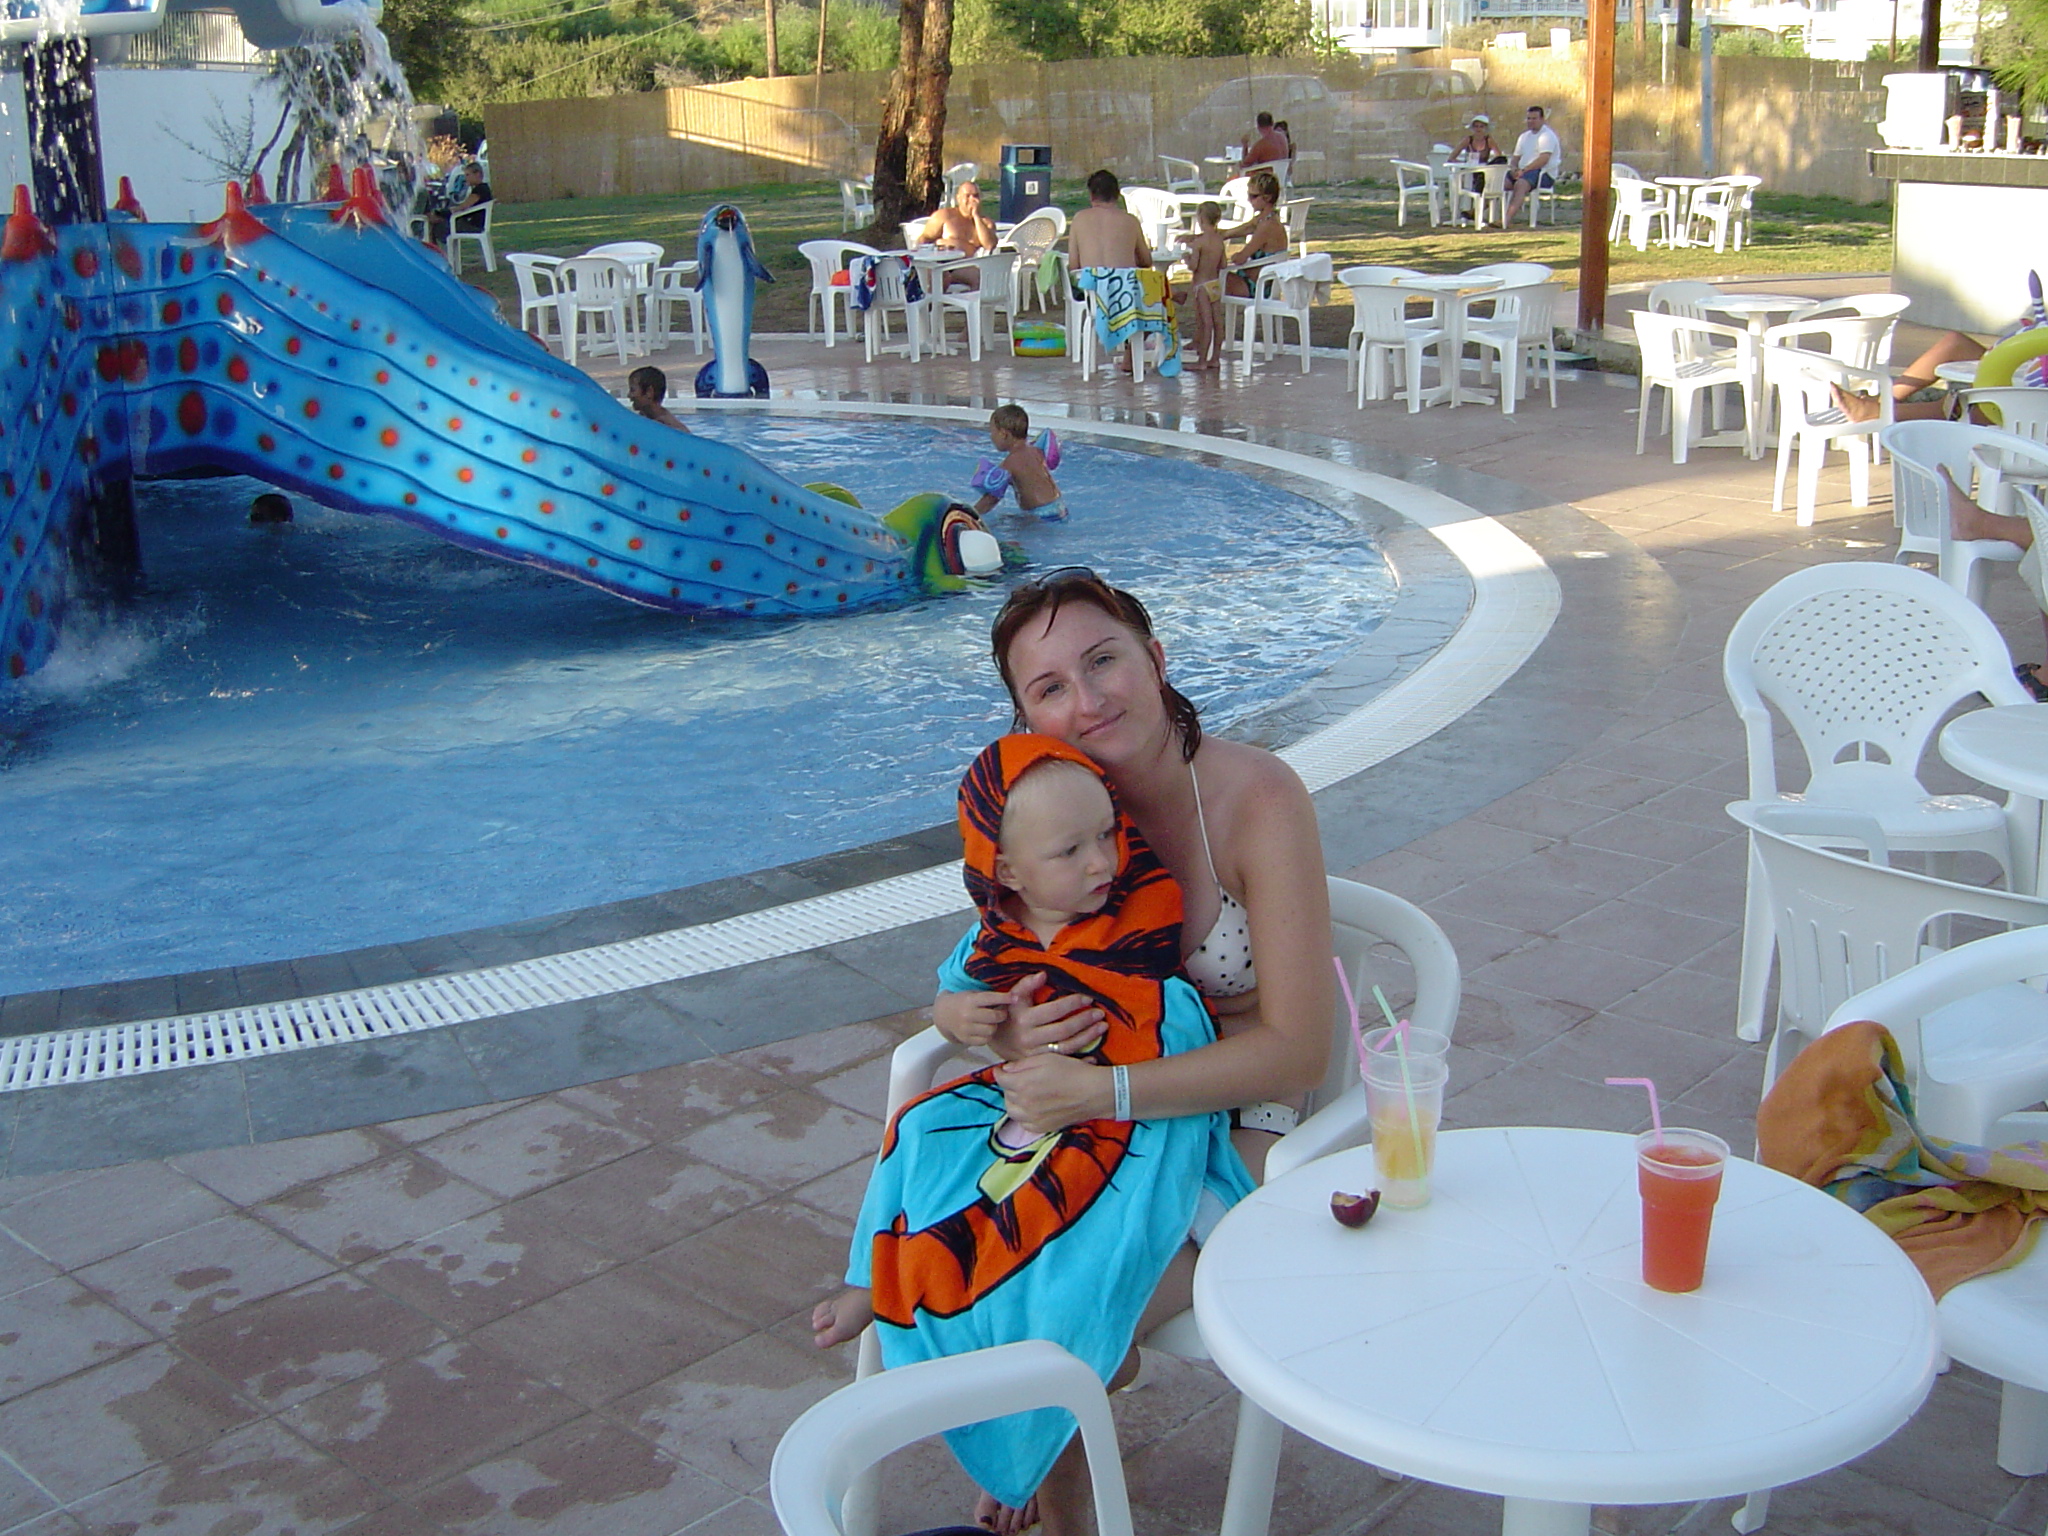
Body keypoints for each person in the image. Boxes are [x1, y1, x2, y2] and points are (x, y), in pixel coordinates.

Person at [927, 569, 1334, 1530]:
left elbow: (1298, 1049)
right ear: (1027, 718)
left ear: (1154, 660)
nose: (1088, 699)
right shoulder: (1049, 817)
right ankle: (1035, 1440)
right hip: (1091, 1103)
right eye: (1050, 687)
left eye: (1103, 660)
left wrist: (1102, 1093)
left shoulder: (1256, 799)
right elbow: (983, 970)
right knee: (964, 1255)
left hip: (1235, 1110)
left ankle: (1036, 1445)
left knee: (1058, 1318)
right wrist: (1007, 1024)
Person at [813, 733, 1255, 1536]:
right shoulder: (999, 932)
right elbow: (951, 997)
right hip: (1027, 1119)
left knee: (1053, 1286)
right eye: (1070, 850)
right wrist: (966, 1018)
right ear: (1010, 873)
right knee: (920, 1123)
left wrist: (1100, 1073)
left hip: (1126, 1132)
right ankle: (874, 1276)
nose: (1102, 863)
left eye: (1107, 834)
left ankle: (1044, 1476)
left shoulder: (1136, 929)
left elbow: (1177, 1037)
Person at [1068, 170, 1155, 375]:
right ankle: (1130, 358)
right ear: (1117, 195)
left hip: (1094, 297)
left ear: (1091, 195)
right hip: (1125, 299)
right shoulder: (1130, 221)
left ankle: (1123, 359)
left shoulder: (1079, 219)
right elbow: (1146, 261)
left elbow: (1074, 265)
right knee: (1153, 303)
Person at [972, 403, 1065, 520]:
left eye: (992, 432)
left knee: (1001, 522)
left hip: (1041, 516)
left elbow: (992, 499)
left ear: (1003, 434)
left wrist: (971, 513)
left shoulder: (1010, 463)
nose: (991, 436)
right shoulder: (1036, 451)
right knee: (1011, 518)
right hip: (1059, 507)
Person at [1177, 201, 1230, 371]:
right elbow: (1223, 264)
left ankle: (1201, 361)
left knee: (1206, 323)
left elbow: (1194, 266)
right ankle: (1215, 358)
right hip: (1214, 285)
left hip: (1201, 287)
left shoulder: (1199, 242)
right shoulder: (1219, 241)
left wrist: (1186, 258)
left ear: (1200, 219)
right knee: (1217, 322)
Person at [1223, 168, 1288, 299]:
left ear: (1267, 197)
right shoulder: (1265, 219)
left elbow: (1240, 258)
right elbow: (1231, 232)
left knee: (1208, 277)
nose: (1249, 200)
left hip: (1256, 287)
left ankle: (1205, 313)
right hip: (1256, 282)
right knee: (1207, 279)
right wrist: (1201, 237)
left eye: (1253, 196)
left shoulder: (1267, 226)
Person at [1503, 104, 1562, 225]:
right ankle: (1478, 213)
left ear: (1542, 119)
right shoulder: (1524, 137)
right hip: (1522, 171)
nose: (1530, 121)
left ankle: (1506, 219)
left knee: (1521, 184)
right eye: (1529, 118)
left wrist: (1524, 170)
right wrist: (1514, 169)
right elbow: (1515, 158)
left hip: (1543, 173)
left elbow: (1543, 159)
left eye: (1534, 118)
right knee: (1498, 182)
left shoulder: (1547, 136)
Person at [918, 179, 996, 257]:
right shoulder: (944, 216)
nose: (972, 199)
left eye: (976, 196)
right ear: (958, 199)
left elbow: (989, 245)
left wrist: (976, 216)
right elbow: (925, 239)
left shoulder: (986, 223)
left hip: (974, 263)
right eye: (967, 196)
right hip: (946, 262)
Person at [431, 160, 491, 245]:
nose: (465, 178)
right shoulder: (484, 188)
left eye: (468, 175)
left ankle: (437, 249)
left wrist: (449, 211)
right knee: (440, 220)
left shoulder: (480, 190)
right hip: (473, 223)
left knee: (436, 225)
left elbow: (463, 207)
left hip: (472, 225)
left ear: (477, 174)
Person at [625, 366, 689, 431]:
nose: (629, 395)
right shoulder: (643, 420)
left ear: (649, 392)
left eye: (632, 390)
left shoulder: (671, 429)